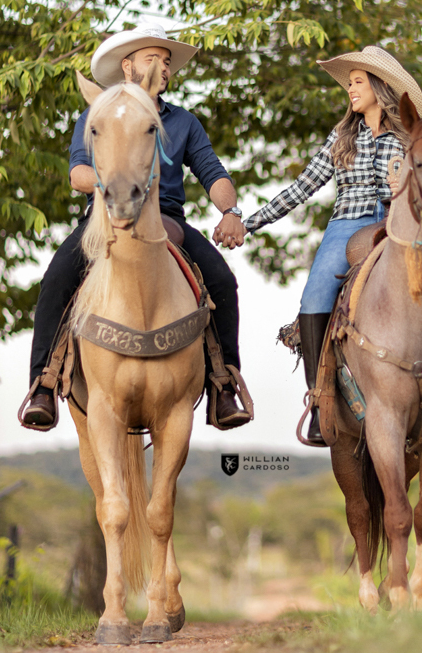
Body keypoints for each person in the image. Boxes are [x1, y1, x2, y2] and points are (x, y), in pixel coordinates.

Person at [242, 45, 422, 445]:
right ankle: (319, 401)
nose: (350, 88)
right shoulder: (341, 137)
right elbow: (301, 188)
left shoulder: (409, 137)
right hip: (346, 226)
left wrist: (405, 191)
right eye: (350, 82)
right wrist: (250, 223)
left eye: (357, 81)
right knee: (314, 298)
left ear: (380, 87)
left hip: (400, 223)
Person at [22, 22, 251, 431]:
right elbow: (78, 174)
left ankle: (223, 382)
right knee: (56, 280)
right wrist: (116, 188)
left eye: (166, 61)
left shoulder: (183, 122)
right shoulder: (97, 114)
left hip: (167, 219)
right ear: (128, 67)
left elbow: (213, 175)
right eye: (153, 59)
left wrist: (230, 212)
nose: (163, 67)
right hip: (105, 213)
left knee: (221, 280)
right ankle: (43, 381)